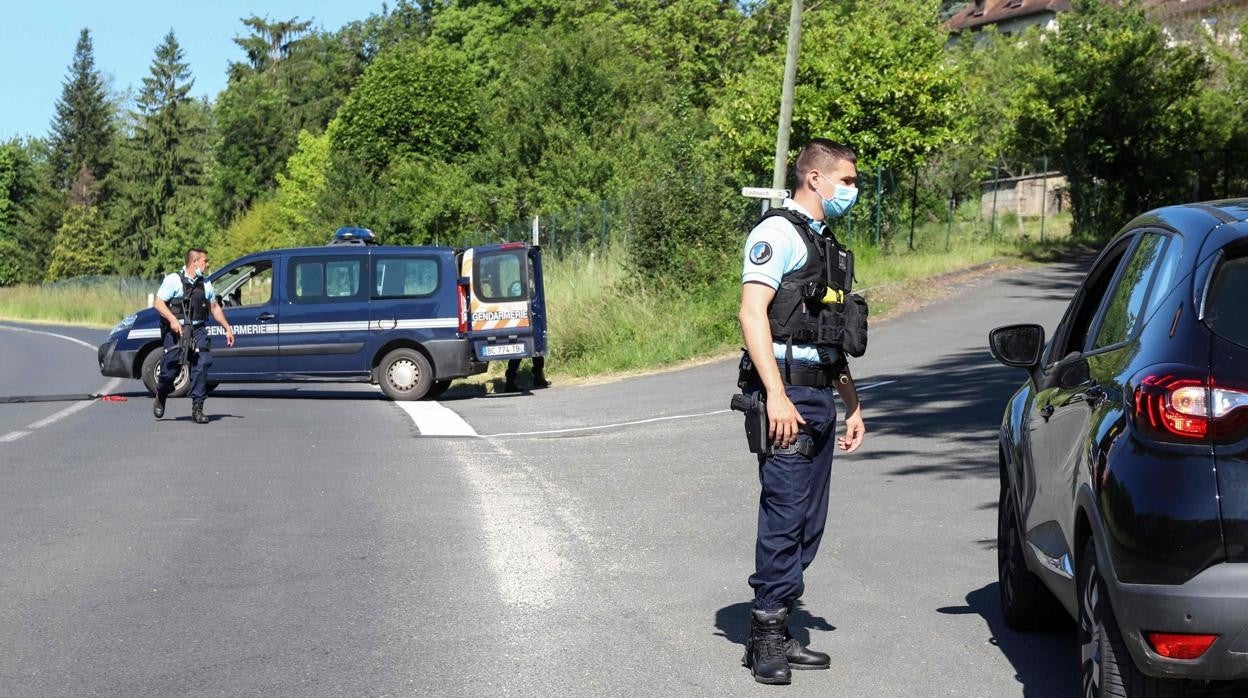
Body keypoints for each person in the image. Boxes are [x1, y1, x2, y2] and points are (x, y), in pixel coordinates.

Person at [737, 138, 867, 685]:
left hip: (817, 394)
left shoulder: (826, 245)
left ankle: (783, 621)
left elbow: (827, 335)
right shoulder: (776, 235)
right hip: (784, 393)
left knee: (811, 521)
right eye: (847, 181)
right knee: (785, 512)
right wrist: (775, 395)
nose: (853, 190)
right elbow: (752, 315)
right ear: (815, 179)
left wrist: (852, 403)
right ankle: (764, 634)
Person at [152, 248, 235, 424]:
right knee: (171, 369)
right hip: (176, 330)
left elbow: (214, 308)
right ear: (194, 262)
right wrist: (173, 320)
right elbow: (158, 303)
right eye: (205, 261)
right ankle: (162, 392)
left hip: (197, 329)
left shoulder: (206, 284)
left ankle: (198, 408)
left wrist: (227, 328)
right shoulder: (173, 280)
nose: (207, 264)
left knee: (202, 362)